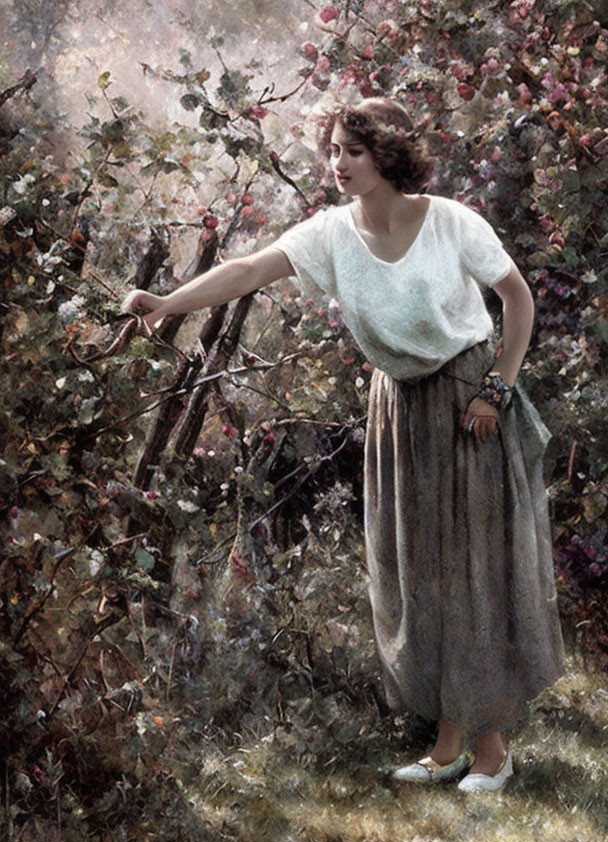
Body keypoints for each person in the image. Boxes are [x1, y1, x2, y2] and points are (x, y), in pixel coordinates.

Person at [122, 96, 564, 793]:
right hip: (398, 411)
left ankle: (493, 752)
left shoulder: (450, 222)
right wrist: (167, 303)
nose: (337, 164)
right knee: (416, 572)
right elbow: (247, 270)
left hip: (469, 404)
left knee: (470, 569)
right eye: (331, 151)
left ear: (386, 155)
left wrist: (499, 389)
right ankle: (448, 742)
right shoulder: (331, 234)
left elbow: (517, 298)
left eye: (351, 152)